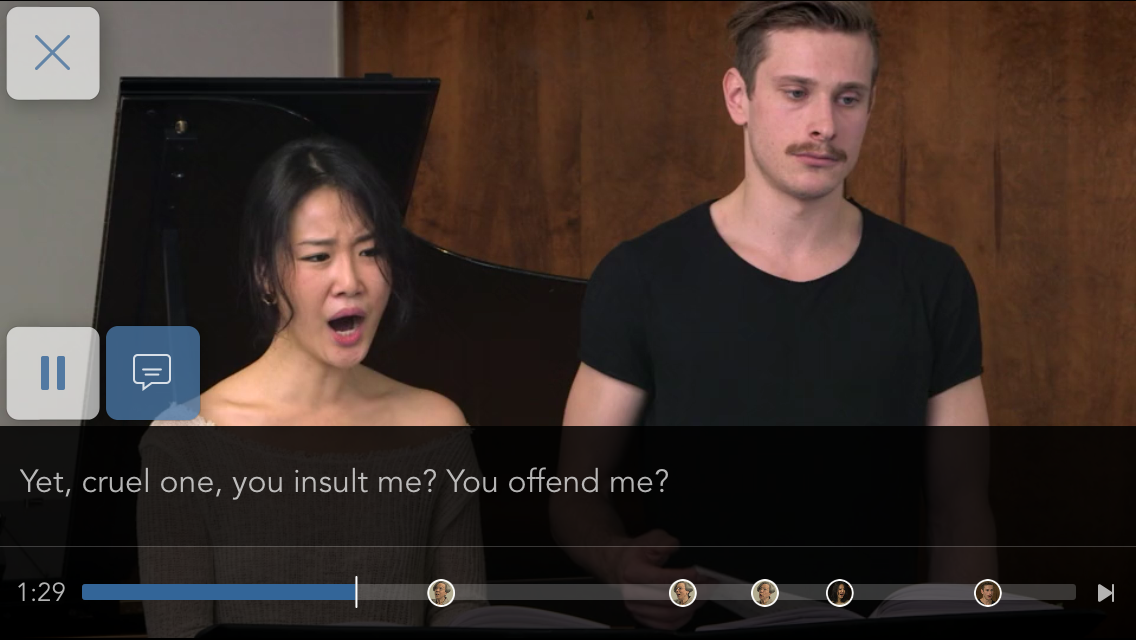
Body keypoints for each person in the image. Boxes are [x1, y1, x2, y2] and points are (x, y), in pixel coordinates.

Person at [552, 1, 997, 630]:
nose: (824, 125)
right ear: (739, 96)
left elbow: (961, 510)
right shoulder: (641, 274)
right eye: (796, 92)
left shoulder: (932, 277)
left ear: (871, 105)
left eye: (848, 98)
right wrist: (617, 562)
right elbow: (575, 495)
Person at [140, 137, 486, 637]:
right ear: (264, 273)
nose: (351, 280)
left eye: (370, 251)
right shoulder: (184, 444)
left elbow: (458, 608)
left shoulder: (437, 429)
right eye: (319, 256)